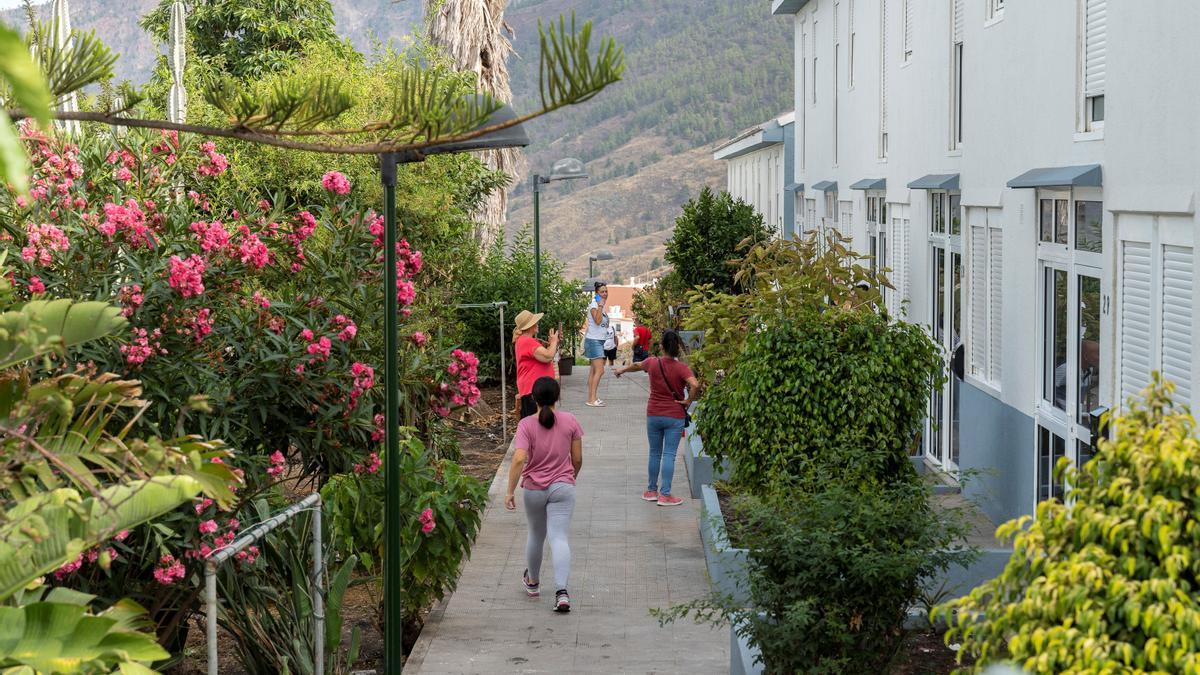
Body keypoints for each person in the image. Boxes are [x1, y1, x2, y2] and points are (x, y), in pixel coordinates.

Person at [505, 376, 583, 612]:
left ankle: (533, 583)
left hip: (534, 489)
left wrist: (509, 492)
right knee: (559, 537)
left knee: (536, 535)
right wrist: (570, 478)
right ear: (558, 397)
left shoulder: (526, 425)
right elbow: (577, 459)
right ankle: (561, 593)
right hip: (563, 486)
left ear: (534, 398)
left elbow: (519, 458)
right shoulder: (570, 421)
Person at [614, 330, 699, 507]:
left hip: (653, 414)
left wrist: (622, 369)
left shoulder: (652, 362)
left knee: (654, 453)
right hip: (674, 415)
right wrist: (688, 400)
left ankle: (651, 491)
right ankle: (665, 495)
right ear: (678, 348)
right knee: (669, 454)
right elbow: (695, 384)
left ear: (661, 346)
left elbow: (637, 365)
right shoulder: (682, 368)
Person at [512, 309, 559, 419]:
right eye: (535, 322)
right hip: (533, 390)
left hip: (537, 389)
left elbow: (543, 357)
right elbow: (547, 356)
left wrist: (553, 344)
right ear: (530, 326)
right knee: (535, 423)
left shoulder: (526, 340)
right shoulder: (526, 341)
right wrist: (553, 342)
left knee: (539, 422)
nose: (537, 324)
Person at [583, 282, 610, 407]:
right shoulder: (595, 305)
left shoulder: (600, 305)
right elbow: (598, 321)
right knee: (600, 370)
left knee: (593, 371)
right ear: (596, 293)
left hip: (598, 340)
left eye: (606, 291)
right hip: (594, 341)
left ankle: (592, 398)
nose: (605, 294)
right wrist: (599, 306)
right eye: (602, 292)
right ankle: (592, 399)